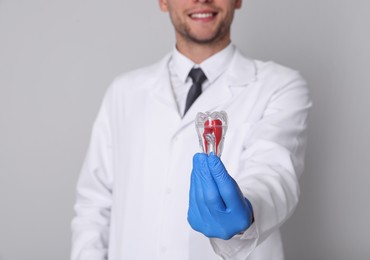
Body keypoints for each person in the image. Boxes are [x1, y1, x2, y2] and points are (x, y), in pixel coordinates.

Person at [71, 0, 311, 259]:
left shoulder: (279, 86)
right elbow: (93, 205)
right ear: (163, 2)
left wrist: (246, 210)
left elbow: (274, 174)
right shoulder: (124, 91)